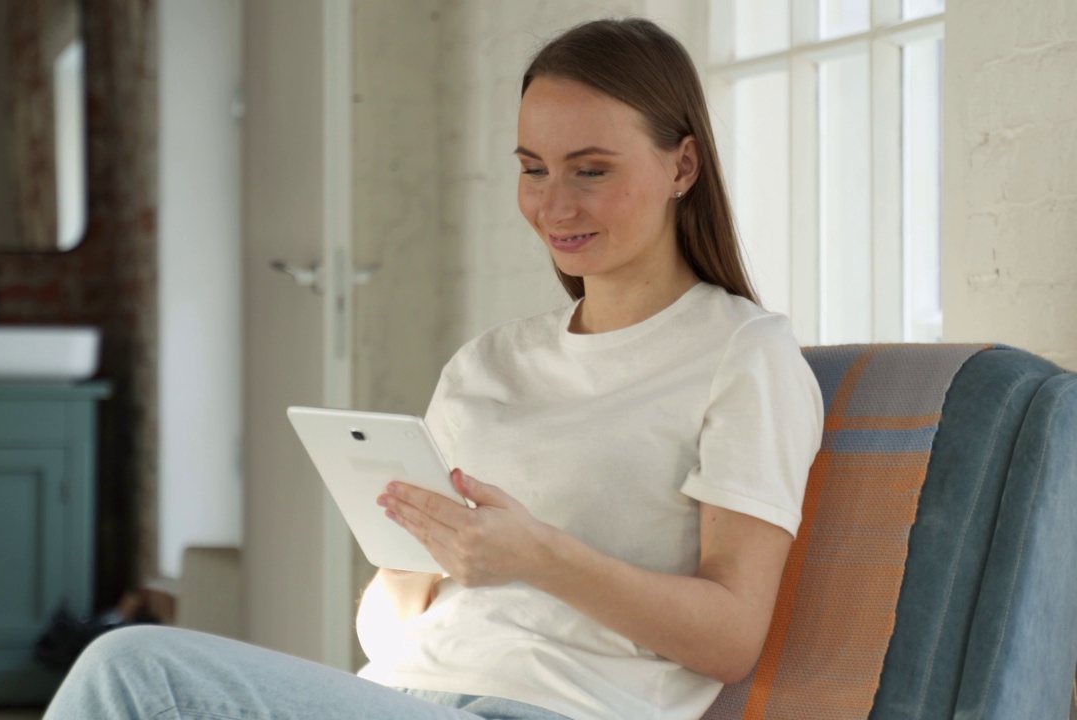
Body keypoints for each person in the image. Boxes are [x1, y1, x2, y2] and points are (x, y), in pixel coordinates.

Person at [43, 17, 823, 720]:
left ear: (682, 165)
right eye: (533, 168)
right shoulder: (487, 364)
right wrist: (415, 562)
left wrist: (543, 556)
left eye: (591, 170)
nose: (554, 206)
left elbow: (730, 637)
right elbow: (393, 625)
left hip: (562, 710)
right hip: (401, 691)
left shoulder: (742, 355)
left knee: (131, 669)